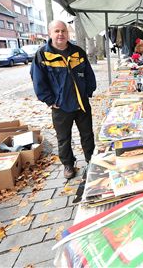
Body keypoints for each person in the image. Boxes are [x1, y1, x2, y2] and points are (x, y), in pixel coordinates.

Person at [31, 20, 97, 179]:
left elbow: (89, 74)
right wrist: (50, 100)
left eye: (63, 31)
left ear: (68, 33)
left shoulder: (78, 52)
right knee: (63, 138)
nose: (60, 34)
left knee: (87, 135)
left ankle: (92, 161)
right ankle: (68, 164)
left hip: (81, 104)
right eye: (57, 31)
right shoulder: (42, 55)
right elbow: (38, 81)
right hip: (60, 107)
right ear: (50, 33)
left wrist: (88, 91)